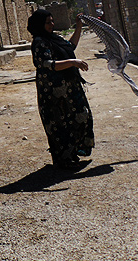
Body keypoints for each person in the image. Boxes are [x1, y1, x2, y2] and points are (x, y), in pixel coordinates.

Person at [27, 9, 94, 169]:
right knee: (59, 124)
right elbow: (47, 64)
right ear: (39, 24)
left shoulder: (54, 39)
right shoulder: (39, 42)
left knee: (81, 116)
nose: (51, 24)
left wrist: (78, 26)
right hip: (53, 93)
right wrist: (72, 62)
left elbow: (70, 46)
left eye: (52, 21)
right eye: (47, 22)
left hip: (70, 88)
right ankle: (64, 160)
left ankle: (74, 152)